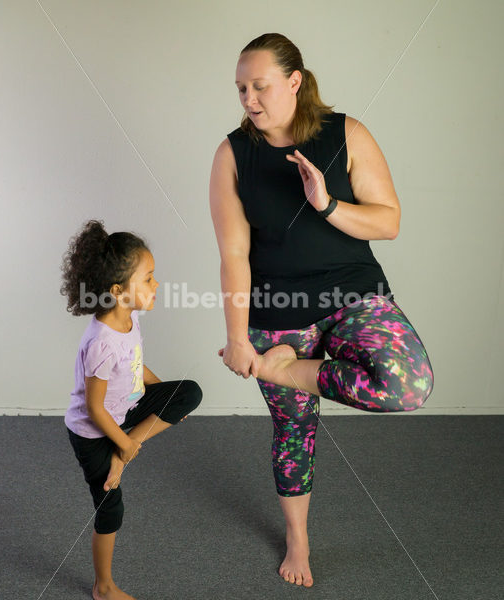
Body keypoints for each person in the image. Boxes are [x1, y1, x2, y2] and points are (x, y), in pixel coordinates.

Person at [209, 33, 434, 588]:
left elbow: (388, 222)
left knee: (407, 385)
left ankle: (286, 370)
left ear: (295, 81)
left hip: (353, 296)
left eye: (260, 86)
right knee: (294, 430)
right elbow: (234, 254)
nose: (249, 100)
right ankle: (298, 538)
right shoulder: (233, 154)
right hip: (277, 309)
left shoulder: (346, 134)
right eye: (241, 89)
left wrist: (326, 204)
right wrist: (237, 338)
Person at [60, 219, 203, 600]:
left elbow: (137, 366)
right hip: (93, 431)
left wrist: (165, 399)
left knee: (189, 392)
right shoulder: (101, 343)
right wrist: (122, 443)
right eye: (149, 279)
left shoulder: (130, 317)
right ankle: (103, 587)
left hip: (124, 412)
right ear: (119, 291)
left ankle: (126, 453)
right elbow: (94, 408)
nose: (157, 286)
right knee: (111, 508)